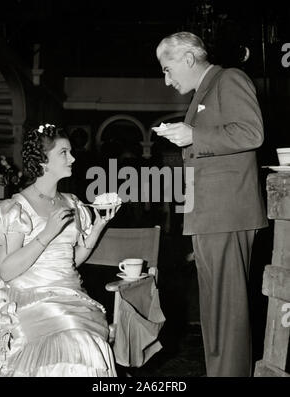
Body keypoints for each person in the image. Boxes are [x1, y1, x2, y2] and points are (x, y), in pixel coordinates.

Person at [153, 32, 268, 377]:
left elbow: (252, 133)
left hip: (226, 214)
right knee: (216, 311)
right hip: (210, 216)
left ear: (188, 58)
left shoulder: (228, 79)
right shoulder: (203, 92)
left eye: (168, 68)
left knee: (226, 312)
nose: (167, 78)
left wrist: (194, 136)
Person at [0, 123, 119, 377]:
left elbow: (72, 260)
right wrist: (47, 233)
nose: (72, 158)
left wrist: (99, 225)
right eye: (64, 152)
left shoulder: (72, 202)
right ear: (43, 162)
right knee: (76, 340)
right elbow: (6, 271)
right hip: (31, 298)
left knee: (87, 338)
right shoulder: (16, 208)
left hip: (71, 295)